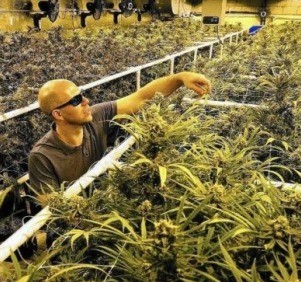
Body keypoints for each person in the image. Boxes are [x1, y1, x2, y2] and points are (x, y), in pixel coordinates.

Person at [27, 72, 212, 203]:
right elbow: (53, 206)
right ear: (58, 114)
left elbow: (142, 97)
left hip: (103, 199)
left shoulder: (96, 116)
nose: (86, 101)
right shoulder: (42, 156)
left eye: (81, 95)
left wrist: (180, 78)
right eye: (76, 101)